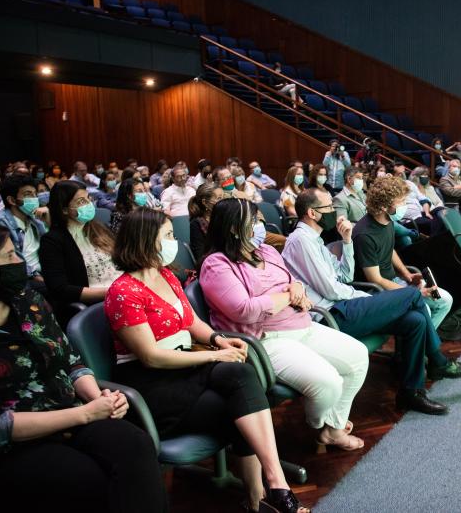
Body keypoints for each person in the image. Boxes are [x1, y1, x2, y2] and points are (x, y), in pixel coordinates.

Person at [105, 209, 308, 513]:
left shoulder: (165, 275)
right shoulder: (123, 292)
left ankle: (273, 484)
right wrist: (216, 354)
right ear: (145, 241)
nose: (175, 241)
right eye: (169, 236)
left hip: (187, 363)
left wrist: (217, 340)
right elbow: (150, 356)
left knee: (241, 375)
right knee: (239, 407)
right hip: (153, 382)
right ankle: (258, 497)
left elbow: (191, 322)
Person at [0, 223, 166, 513]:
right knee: (88, 480)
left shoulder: (28, 302)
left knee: (135, 445)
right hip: (18, 445)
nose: (20, 262)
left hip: (75, 412)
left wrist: (98, 400)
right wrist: (84, 414)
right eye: (8, 257)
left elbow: (71, 362)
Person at [283, 189, 461, 414]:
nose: (334, 212)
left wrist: (346, 242)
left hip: (345, 304)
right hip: (331, 314)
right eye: (329, 208)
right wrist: (364, 297)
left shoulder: (315, 239)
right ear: (312, 213)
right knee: (413, 295)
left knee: (415, 320)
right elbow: (332, 290)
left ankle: (411, 393)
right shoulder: (301, 241)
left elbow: (344, 276)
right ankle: (438, 362)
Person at [200, 199, 368, 452]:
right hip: (266, 339)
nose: (260, 225)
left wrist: (296, 288)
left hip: (301, 324)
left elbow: (292, 280)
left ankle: (334, 429)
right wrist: (288, 296)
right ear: (235, 228)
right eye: (254, 221)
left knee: (358, 357)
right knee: (330, 384)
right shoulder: (216, 264)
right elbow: (245, 310)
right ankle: (316, 423)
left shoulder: (266, 251)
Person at [352, 176, 454, 330]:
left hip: (394, 282)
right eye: (401, 202)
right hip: (376, 291)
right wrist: (413, 293)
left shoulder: (388, 221)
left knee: (444, 300)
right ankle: (421, 347)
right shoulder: (364, 234)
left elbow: (389, 249)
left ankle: (424, 345)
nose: (404, 205)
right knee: (424, 310)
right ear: (385, 206)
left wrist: (407, 275)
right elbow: (376, 279)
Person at [38, 180, 121, 323]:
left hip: (123, 293)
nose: (89, 204)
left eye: (89, 198)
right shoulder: (52, 241)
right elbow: (60, 289)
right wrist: (112, 292)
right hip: (99, 304)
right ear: (64, 209)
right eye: (81, 201)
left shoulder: (98, 228)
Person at [0, 173, 48, 284]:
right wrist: (44, 281)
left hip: (44, 273)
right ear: (12, 200)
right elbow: (10, 265)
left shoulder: (36, 220)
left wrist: (50, 222)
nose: (34, 199)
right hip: (24, 279)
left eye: (35, 194)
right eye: (28, 194)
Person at [188, 182, 224, 262]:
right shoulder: (196, 224)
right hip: (214, 264)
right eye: (219, 198)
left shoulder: (224, 217)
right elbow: (200, 256)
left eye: (223, 197)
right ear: (205, 203)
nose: (223, 201)